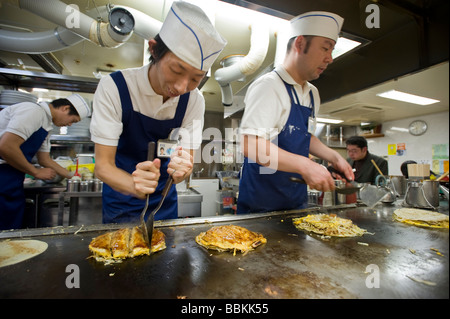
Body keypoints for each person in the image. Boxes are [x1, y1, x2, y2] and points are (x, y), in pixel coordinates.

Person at [90, 1, 226, 224]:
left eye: (195, 79)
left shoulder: (194, 100)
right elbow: (103, 166)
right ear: (154, 49)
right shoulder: (115, 87)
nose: (182, 87)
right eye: (177, 70)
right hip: (121, 202)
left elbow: (185, 166)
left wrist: (182, 172)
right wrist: (135, 185)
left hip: (165, 206)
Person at [237, 11, 354, 214]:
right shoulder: (269, 86)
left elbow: (302, 136)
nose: (330, 58)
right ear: (300, 44)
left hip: (295, 204)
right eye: (325, 48)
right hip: (260, 208)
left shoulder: (312, 93)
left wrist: (333, 157)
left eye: (332, 50)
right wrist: (305, 165)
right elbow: (251, 145)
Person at [0, 93, 91, 230]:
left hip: (12, 177)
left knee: (10, 223)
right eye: (73, 120)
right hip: (3, 174)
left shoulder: (47, 124)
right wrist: (35, 172)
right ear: (65, 108)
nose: (70, 124)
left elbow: (44, 159)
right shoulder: (34, 112)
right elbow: (6, 147)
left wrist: (72, 176)